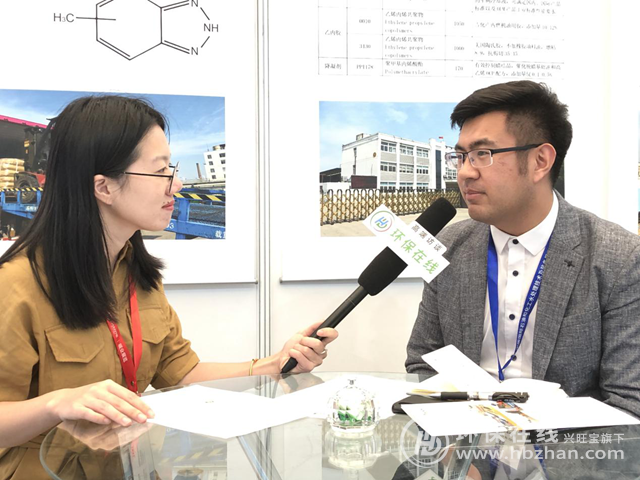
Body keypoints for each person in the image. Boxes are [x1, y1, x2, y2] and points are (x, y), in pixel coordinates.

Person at [0, 95, 338, 479]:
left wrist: (273, 364)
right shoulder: (16, 286)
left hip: (133, 468)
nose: (176, 184)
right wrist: (57, 404)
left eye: (171, 168)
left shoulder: (137, 275)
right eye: (160, 171)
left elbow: (182, 374)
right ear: (104, 187)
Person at [406, 80, 640, 419]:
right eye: (461, 156)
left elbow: (628, 405)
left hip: (567, 443)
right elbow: (423, 363)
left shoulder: (619, 258)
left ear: (540, 161)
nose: (465, 172)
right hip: (465, 442)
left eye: (483, 154)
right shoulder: (448, 247)